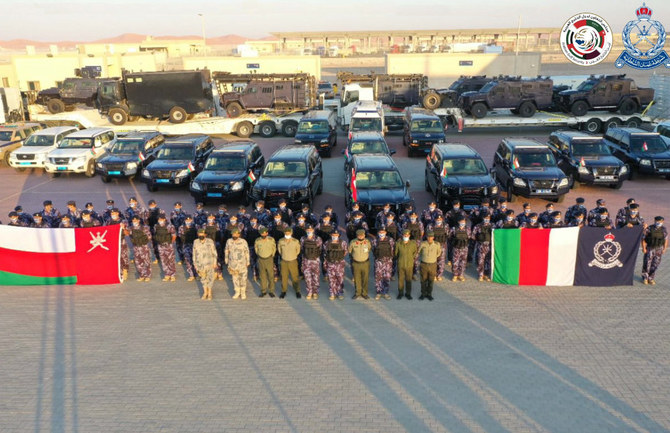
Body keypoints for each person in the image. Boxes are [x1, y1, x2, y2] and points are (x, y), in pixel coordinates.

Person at [104, 208, 129, 281]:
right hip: (112, 241)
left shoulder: (123, 221)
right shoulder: (108, 221)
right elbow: (106, 231)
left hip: (121, 240)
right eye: (112, 214)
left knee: (123, 256)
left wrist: (123, 228)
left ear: (118, 213)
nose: (113, 215)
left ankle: (125, 270)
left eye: (114, 213)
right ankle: (117, 271)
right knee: (114, 256)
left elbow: (127, 234)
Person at [224, 228, 249, 299]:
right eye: (233, 234)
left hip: (242, 263)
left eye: (236, 234)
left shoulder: (243, 241)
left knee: (243, 278)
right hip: (232, 263)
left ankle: (243, 292)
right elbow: (226, 250)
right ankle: (237, 292)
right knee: (235, 278)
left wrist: (248, 261)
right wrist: (226, 259)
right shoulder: (229, 241)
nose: (234, 235)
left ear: (239, 234)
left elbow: (246, 251)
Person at [642, 216, 667, 285]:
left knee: (655, 264)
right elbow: (644, 239)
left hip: (659, 249)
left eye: (660, 222)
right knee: (647, 263)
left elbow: (665, 239)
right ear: (655, 221)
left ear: (663, 222)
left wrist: (664, 248)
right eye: (657, 221)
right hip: (650, 248)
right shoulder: (649, 228)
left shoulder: (664, 229)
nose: (659, 223)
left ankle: (651, 278)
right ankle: (645, 278)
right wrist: (643, 248)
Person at [277, 227, 302, 298]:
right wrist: (284, 256)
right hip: (284, 261)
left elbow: (298, 251)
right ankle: (283, 291)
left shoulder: (295, 241)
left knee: (295, 277)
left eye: (288, 233)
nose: (287, 234)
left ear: (291, 233)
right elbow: (280, 250)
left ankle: (297, 291)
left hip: (293, 261)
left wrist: (292, 256)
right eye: (286, 233)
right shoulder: (281, 241)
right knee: (284, 277)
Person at [126, 215, 152, 282]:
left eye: (136, 220)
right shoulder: (131, 228)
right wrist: (123, 228)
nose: (134, 221)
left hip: (143, 247)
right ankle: (141, 275)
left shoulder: (144, 228)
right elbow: (127, 233)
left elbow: (149, 236)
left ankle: (147, 275)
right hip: (136, 247)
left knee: (146, 261)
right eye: (133, 220)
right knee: (138, 262)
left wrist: (143, 241)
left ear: (139, 220)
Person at [194, 228, 218, 300]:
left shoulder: (210, 241)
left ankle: (209, 292)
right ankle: (205, 292)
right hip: (200, 264)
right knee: (203, 278)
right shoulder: (195, 242)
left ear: (205, 234)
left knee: (210, 278)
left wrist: (215, 262)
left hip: (209, 263)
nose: (201, 235)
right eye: (200, 234)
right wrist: (195, 263)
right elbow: (194, 253)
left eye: (202, 234)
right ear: (198, 234)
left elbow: (214, 252)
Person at [300, 225, 323, 299]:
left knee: (316, 278)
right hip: (306, 260)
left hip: (315, 260)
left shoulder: (318, 239)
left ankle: (315, 292)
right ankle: (309, 292)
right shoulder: (303, 239)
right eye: (308, 230)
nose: (309, 231)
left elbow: (320, 249)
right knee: (307, 278)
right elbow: (301, 249)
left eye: (311, 230)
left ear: (313, 230)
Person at [323, 230, 347, 300]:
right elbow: (325, 253)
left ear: (338, 235)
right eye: (333, 235)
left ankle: (340, 292)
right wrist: (326, 263)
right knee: (331, 279)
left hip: (339, 263)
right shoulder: (327, 243)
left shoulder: (343, 243)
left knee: (340, 279)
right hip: (330, 263)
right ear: (331, 235)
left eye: (336, 235)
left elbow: (345, 252)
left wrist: (339, 258)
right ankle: (332, 293)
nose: (334, 236)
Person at [418, 231, 441, 301]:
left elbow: (438, 253)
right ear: (426, 237)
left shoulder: (437, 244)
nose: (430, 238)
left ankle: (429, 294)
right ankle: (423, 294)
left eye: (431, 237)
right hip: (424, 264)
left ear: (433, 237)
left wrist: (432, 258)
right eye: (428, 237)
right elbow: (419, 252)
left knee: (431, 280)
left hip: (432, 264)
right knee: (423, 280)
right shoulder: (423, 244)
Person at [395, 229, 418, 299]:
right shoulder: (398, 244)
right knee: (400, 280)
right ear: (402, 235)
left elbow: (415, 253)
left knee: (408, 280)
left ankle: (408, 293)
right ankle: (400, 293)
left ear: (409, 236)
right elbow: (396, 254)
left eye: (407, 235)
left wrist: (410, 259)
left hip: (409, 265)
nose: (406, 236)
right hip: (401, 264)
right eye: (405, 235)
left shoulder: (413, 244)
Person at [254, 227, 277, 297]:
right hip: (261, 259)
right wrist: (259, 255)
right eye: (262, 233)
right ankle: (263, 290)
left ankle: (271, 291)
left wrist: (271, 255)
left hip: (269, 259)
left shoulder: (271, 240)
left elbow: (274, 248)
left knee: (271, 275)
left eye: (265, 233)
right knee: (262, 276)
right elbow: (256, 249)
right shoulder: (257, 240)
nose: (263, 234)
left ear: (267, 233)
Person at [349, 229, 371, 299]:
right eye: (359, 235)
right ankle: (357, 293)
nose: (361, 237)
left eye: (362, 235)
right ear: (357, 235)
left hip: (365, 263)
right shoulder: (353, 242)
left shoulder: (367, 242)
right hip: (356, 263)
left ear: (364, 235)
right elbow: (350, 251)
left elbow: (369, 249)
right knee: (357, 278)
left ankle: (364, 293)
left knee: (365, 279)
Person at [153, 215, 177, 282]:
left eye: (161, 219)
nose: (160, 221)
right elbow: (156, 234)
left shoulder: (169, 226)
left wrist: (170, 243)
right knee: (163, 260)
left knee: (170, 260)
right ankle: (167, 274)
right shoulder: (156, 226)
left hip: (168, 245)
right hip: (160, 245)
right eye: (159, 219)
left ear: (164, 219)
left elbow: (174, 235)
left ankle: (172, 275)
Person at [373, 228, 394, 300]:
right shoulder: (375, 240)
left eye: (383, 232)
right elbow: (374, 251)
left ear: (385, 232)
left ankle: (385, 292)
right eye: (380, 232)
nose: (381, 233)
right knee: (378, 277)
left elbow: (392, 250)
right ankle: (378, 292)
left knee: (387, 277)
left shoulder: (390, 240)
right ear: (378, 232)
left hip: (388, 262)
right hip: (378, 261)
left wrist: (389, 259)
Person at [426, 215, 449, 281]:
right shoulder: (430, 226)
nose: (438, 221)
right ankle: (433, 275)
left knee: (441, 261)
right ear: (435, 220)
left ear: (442, 219)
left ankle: (439, 275)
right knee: (433, 261)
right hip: (433, 245)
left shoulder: (446, 226)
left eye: (440, 219)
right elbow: (428, 235)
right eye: (437, 220)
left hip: (442, 245)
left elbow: (448, 235)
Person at [471, 213, 493, 281]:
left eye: (488, 218)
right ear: (483, 218)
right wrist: (479, 241)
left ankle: (486, 274)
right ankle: (481, 274)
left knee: (488, 261)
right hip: (481, 246)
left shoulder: (492, 226)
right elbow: (473, 235)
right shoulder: (478, 226)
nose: (487, 220)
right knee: (481, 260)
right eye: (485, 218)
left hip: (489, 246)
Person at [449, 216, 471, 281]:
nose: (463, 223)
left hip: (464, 248)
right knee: (455, 261)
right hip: (456, 248)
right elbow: (450, 236)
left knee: (463, 262)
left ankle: (461, 275)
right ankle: (455, 275)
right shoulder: (454, 229)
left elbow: (469, 237)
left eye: (464, 222)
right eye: (461, 222)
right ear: (458, 222)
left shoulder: (468, 229)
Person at [178, 216, 199, 281]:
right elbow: (180, 236)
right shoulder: (181, 227)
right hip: (186, 246)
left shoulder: (196, 226)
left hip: (194, 246)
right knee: (188, 260)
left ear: (192, 220)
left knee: (196, 260)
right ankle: (191, 275)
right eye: (187, 220)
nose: (188, 222)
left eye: (189, 220)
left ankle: (197, 274)